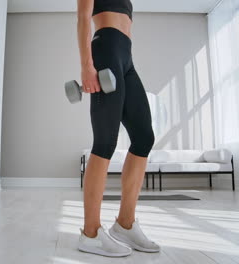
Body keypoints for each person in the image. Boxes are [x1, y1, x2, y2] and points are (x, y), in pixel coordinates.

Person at [76, 0, 161, 258]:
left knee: (144, 138)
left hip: (126, 56)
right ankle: (90, 234)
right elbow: (82, 18)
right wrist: (86, 66)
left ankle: (125, 224)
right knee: (105, 141)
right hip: (106, 50)